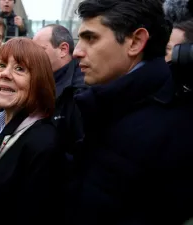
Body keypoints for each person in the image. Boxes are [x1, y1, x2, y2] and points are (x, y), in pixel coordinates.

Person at [68, 0, 193, 224]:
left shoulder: (177, 126)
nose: (77, 52)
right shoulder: (105, 103)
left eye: (91, 38)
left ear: (135, 42)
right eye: (80, 39)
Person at [0, 37, 63, 225]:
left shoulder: (43, 144)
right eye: (1, 65)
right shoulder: (5, 127)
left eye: (20, 68)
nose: (5, 74)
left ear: (39, 82)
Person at [33, 24, 85, 156]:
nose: (32, 57)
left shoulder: (79, 92)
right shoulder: (39, 81)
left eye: (40, 50)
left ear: (63, 49)